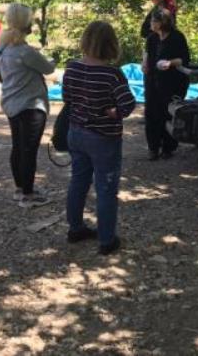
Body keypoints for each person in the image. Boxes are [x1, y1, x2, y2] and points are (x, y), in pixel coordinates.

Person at [62, 21, 136, 255]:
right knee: (105, 189)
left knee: (78, 182)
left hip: (76, 133)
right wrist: (112, 112)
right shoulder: (112, 75)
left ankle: (75, 228)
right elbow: (127, 105)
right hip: (104, 138)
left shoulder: (71, 68)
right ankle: (106, 240)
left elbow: (67, 98)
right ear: (110, 44)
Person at [0, 3, 56, 208]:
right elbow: (48, 69)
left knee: (18, 147)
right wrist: (52, 59)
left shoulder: (3, 47)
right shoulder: (25, 51)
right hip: (31, 106)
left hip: (12, 103)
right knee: (29, 150)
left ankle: (20, 189)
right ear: (26, 24)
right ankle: (28, 196)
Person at [142, 8, 191, 160]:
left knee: (168, 113)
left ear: (161, 22)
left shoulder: (177, 37)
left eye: (153, 21)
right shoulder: (152, 38)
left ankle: (168, 147)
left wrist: (170, 63)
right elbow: (146, 54)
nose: (151, 23)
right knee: (151, 113)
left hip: (173, 81)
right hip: (152, 80)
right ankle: (153, 148)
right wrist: (144, 64)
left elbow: (184, 59)